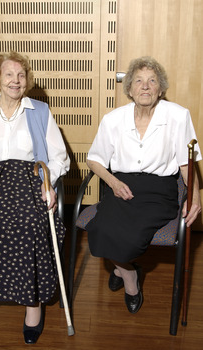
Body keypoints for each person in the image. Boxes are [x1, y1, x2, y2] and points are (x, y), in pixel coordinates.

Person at [0, 51, 70, 344]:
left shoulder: (39, 111)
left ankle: (33, 302)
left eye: (21, 75)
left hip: (28, 178)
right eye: (9, 75)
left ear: (26, 80)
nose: (15, 81)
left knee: (30, 224)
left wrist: (48, 183)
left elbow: (58, 157)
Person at [85, 56, 202, 314]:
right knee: (99, 229)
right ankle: (130, 274)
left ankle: (127, 278)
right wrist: (113, 183)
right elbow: (94, 160)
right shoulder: (113, 119)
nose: (145, 86)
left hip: (159, 190)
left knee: (133, 237)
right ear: (129, 89)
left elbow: (187, 164)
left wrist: (195, 197)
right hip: (121, 184)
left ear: (160, 89)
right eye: (138, 81)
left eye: (152, 81)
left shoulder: (178, 116)